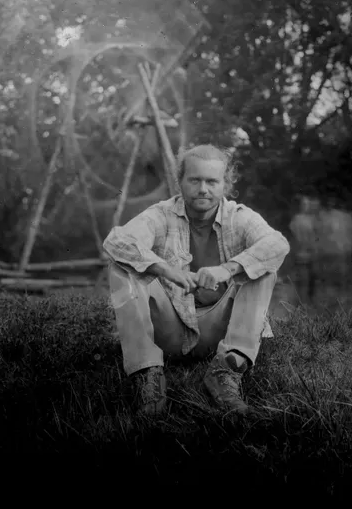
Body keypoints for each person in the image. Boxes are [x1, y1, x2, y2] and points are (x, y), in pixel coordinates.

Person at [102, 144, 290, 416]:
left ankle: (226, 372)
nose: (203, 189)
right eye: (195, 180)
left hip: (220, 331)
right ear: (180, 182)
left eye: (212, 181)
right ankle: (149, 376)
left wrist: (227, 269)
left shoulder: (240, 217)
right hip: (169, 329)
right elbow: (117, 240)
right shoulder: (161, 214)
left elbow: (277, 244)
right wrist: (166, 270)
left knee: (262, 269)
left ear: (225, 185)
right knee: (121, 266)